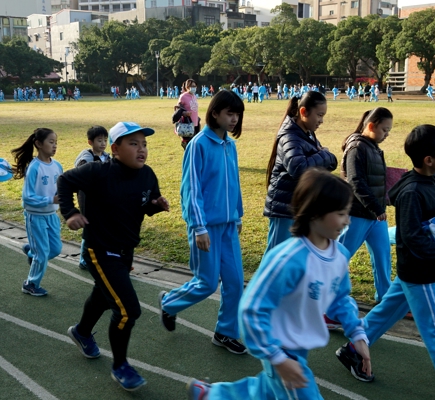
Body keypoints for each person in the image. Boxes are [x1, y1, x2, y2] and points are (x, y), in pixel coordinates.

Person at [186, 169, 372, 400]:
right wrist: (277, 357)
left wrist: (357, 334)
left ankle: (213, 395)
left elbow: (341, 298)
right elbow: (252, 309)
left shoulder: (339, 256)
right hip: (278, 346)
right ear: (315, 213)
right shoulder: (287, 260)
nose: (347, 220)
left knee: (264, 391)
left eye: (348, 212)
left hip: (298, 348)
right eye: (341, 213)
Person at [336, 125, 435, 400]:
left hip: (414, 270)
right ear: (429, 160)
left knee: (386, 311)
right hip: (420, 271)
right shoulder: (413, 191)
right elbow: (413, 237)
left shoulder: (431, 181)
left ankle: (353, 350)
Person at [57, 122, 169, 391]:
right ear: (116, 149)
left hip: (125, 250)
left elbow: (143, 205)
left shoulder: (147, 175)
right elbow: (64, 180)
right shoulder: (98, 171)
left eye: (144, 144)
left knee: (104, 294)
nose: (141, 150)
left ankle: (82, 332)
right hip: (100, 249)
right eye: (134, 144)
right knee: (127, 310)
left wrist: (156, 207)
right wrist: (70, 212)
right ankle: (120, 366)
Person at [160, 91, 247, 353]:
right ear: (215, 113)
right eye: (229, 113)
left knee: (234, 283)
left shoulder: (229, 145)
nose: (234, 119)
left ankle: (225, 332)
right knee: (207, 283)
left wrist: (238, 214)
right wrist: (199, 227)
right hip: (205, 227)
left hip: (228, 226)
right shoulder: (198, 145)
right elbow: (191, 191)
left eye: (237, 114)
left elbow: (234, 183)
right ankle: (169, 302)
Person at [263, 91, 336, 255]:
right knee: (275, 261)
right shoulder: (290, 136)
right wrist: (324, 154)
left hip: (299, 207)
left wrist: (324, 156)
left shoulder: (307, 134)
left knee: (293, 259)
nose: (321, 121)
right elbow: (299, 169)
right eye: (319, 115)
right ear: (303, 112)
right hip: (284, 209)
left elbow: (332, 163)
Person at [337, 108, 394, 306]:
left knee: (383, 256)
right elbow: (355, 182)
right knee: (339, 256)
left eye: (388, 131)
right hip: (357, 213)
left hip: (375, 215)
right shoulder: (356, 148)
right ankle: (322, 296)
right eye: (384, 130)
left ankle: (385, 299)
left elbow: (376, 179)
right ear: (371, 126)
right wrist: (376, 207)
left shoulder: (373, 146)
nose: (386, 135)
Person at [10, 128, 64, 297]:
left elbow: (60, 190)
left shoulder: (57, 166)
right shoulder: (34, 168)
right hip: (35, 217)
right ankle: (31, 283)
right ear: (38, 144)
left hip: (51, 216)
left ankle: (31, 252)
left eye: (56, 142)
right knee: (42, 254)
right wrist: (49, 200)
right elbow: (27, 198)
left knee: (55, 250)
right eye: (51, 142)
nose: (54, 146)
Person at [73, 126, 111, 270]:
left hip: (102, 197)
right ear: (90, 142)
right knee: (89, 227)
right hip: (87, 197)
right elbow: (84, 170)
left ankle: (98, 256)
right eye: (99, 140)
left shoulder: (106, 156)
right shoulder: (86, 156)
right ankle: (84, 259)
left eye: (105, 140)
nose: (103, 143)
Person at [178, 79, 201, 148]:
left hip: (196, 123)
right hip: (188, 124)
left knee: (195, 144)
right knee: (190, 145)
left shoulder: (194, 96)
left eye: (195, 86)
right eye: (192, 86)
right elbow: (178, 109)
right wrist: (184, 113)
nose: (193, 88)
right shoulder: (183, 96)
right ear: (187, 87)